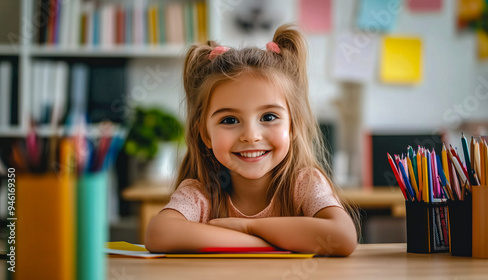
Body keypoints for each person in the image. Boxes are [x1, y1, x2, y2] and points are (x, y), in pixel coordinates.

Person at [145, 24, 359, 256]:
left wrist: (249, 226)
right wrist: (267, 244)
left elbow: (342, 237)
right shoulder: (201, 193)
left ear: (293, 125)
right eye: (229, 120)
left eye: (268, 117)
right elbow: (159, 234)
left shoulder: (304, 184)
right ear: (205, 134)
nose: (251, 135)